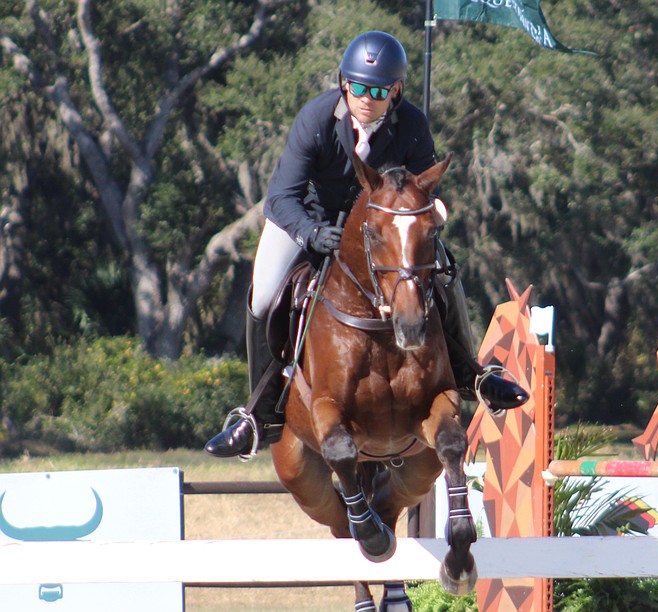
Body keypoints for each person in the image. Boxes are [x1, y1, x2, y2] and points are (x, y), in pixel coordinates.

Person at [205, 31, 529, 459]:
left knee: (444, 273)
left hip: (379, 235)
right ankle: (257, 415)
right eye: (357, 87)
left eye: (378, 90)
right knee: (264, 295)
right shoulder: (317, 119)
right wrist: (309, 232)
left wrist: (429, 214)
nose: (366, 98)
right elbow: (280, 196)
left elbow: (418, 190)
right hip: (307, 221)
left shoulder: (411, 124)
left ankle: (475, 376)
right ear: (344, 82)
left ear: (395, 90)